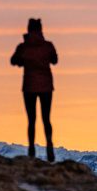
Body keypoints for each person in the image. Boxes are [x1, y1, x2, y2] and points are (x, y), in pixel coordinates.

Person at [10, 18, 58, 161]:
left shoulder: (23, 47)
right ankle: (49, 144)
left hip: (29, 86)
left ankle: (31, 148)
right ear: (41, 29)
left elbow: (13, 61)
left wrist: (23, 61)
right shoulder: (48, 46)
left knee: (31, 119)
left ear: (29, 29)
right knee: (46, 118)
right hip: (46, 86)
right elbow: (55, 60)